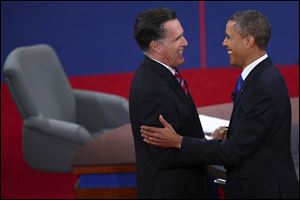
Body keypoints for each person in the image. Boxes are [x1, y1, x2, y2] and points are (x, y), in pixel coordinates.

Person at [140, 10, 299, 199]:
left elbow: (235, 151)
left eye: (229, 37)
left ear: (248, 41)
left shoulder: (263, 85)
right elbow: (253, 135)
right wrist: (230, 135)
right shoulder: (259, 78)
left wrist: (179, 141)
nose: (224, 43)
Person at [130, 7, 225, 199]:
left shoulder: (164, 72)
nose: (186, 42)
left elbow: (177, 136)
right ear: (156, 46)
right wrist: (214, 148)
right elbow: (164, 155)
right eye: (177, 38)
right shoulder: (152, 89)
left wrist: (204, 140)